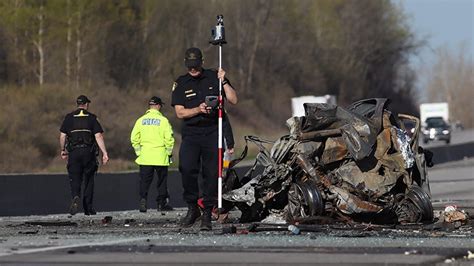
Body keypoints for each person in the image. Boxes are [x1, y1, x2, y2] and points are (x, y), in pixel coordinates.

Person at [171, 47, 238, 230]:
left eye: (195, 66)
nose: (193, 70)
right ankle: (193, 208)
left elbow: (233, 99)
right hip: (192, 133)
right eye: (190, 66)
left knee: (210, 174)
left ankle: (208, 212)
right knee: (186, 168)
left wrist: (223, 81)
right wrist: (197, 110)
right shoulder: (181, 83)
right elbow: (179, 112)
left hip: (212, 132)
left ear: (201, 62)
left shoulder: (214, 76)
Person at [59, 95, 109, 215]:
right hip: (88, 153)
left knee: (75, 178)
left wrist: (63, 150)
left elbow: (62, 136)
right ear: (86, 105)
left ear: (77, 104)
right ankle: (88, 208)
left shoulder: (69, 118)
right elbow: (98, 136)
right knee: (89, 180)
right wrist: (104, 153)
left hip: (74, 152)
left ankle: (76, 196)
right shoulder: (92, 118)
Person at [130, 96, 175, 212]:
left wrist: (138, 152)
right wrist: (169, 153)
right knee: (161, 182)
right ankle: (161, 204)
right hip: (160, 156)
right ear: (159, 106)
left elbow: (134, 138)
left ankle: (143, 200)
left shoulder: (140, 120)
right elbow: (169, 139)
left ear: (150, 106)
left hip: (145, 156)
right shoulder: (164, 121)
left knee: (145, 181)